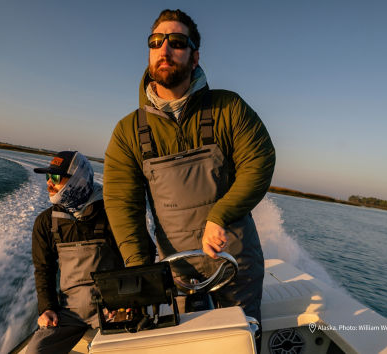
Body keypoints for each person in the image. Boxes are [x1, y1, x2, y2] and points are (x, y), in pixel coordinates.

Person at [102, 8, 275, 339]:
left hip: (236, 262)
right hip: (176, 270)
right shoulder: (128, 132)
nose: (164, 50)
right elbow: (124, 206)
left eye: (177, 42)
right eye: (156, 42)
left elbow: (260, 161)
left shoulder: (229, 107)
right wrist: (141, 273)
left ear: (194, 57)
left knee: (242, 339)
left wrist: (220, 214)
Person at [28, 151, 123, 354]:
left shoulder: (112, 213)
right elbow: (44, 270)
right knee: (36, 349)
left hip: (113, 308)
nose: (48, 183)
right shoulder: (45, 223)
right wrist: (47, 308)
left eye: (55, 177)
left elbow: (135, 257)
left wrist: (127, 302)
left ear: (77, 178)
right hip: (69, 312)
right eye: (47, 177)